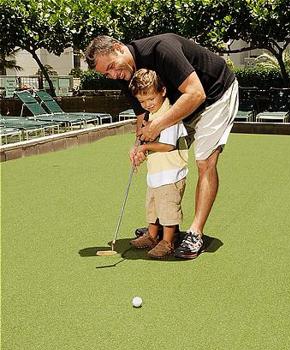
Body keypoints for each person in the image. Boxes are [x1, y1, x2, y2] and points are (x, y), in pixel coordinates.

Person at [85, 33, 239, 259]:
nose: (113, 75)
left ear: (118, 47)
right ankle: (167, 226)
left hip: (215, 95)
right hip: (183, 103)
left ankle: (195, 233)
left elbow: (196, 93)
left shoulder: (161, 49)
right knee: (170, 157)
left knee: (205, 161)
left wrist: (156, 127)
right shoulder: (124, 74)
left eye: (111, 67)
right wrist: (139, 145)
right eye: (106, 74)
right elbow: (142, 115)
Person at [128, 68, 188, 259]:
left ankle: (168, 241)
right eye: (142, 102)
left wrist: (145, 149)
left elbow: (168, 145)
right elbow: (144, 139)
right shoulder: (150, 116)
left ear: (162, 91)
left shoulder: (169, 115)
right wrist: (138, 148)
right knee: (153, 207)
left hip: (171, 173)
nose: (147, 105)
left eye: (151, 99)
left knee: (168, 209)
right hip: (156, 173)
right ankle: (152, 236)